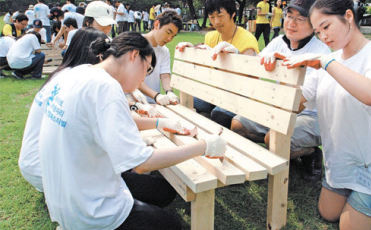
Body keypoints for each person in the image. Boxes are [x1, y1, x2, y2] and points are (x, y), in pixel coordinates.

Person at [25, 31, 225, 229]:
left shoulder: (78, 72)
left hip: (64, 200)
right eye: (146, 70)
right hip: (92, 212)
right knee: (171, 225)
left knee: (160, 194)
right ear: (134, 55)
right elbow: (142, 163)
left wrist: (159, 123)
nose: (141, 82)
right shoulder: (106, 88)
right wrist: (204, 146)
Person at [278, 0, 371, 229]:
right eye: (318, 32)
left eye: (326, 27)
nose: (323, 37)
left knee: (348, 227)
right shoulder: (329, 61)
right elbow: (301, 99)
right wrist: (273, 71)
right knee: (328, 213)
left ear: (348, 16)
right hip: (343, 159)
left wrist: (325, 61)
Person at [231, 0, 329, 181]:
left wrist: (274, 118)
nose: (292, 23)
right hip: (280, 107)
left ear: (314, 24)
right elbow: (253, 73)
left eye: (300, 19)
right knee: (238, 125)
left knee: (274, 138)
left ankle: (310, 152)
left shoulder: (321, 51)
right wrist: (237, 53)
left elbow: (301, 102)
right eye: (289, 17)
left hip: (311, 116)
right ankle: (279, 150)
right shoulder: (278, 42)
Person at [19, 28, 110, 192]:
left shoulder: (62, 73)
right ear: (98, 54)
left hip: (31, 165)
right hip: (48, 171)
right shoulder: (81, 80)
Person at [176, 0, 259, 128]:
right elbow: (206, 61)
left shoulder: (247, 39)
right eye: (212, 17)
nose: (216, 22)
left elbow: (249, 79)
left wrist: (235, 55)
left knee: (219, 114)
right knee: (184, 101)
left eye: (220, 16)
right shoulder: (211, 37)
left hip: (239, 97)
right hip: (215, 93)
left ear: (232, 15)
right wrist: (192, 50)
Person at [136, 11, 182, 106]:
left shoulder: (164, 51)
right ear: (157, 24)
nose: (169, 38)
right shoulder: (135, 43)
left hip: (154, 103)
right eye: (168, 32)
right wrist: (156, 96)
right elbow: (134, 79)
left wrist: (169, 92)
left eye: (173, 36)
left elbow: (165, 75)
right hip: (135, 102)